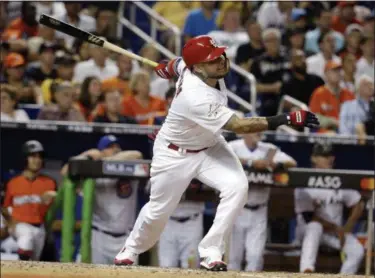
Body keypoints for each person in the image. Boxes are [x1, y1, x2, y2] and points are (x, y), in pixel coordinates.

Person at [114, 35, 319, 271]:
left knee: (237, 187)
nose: (221, 61)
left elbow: (180, 62)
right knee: (158, 212)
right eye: (213, 60)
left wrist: (169, 67)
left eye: (220, 54)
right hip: (174, 153)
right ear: (199, 68)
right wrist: (286, 118)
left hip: (209, 145)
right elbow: (240, 126)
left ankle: (211, 250)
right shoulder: (195, 96)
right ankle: (130, 247)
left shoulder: (197, 67)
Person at [61, 135, 143, 265]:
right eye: (110, 147)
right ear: (101, 151)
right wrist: (87, 154)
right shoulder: (91, 171)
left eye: (117, 146)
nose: (115, 149)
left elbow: (137, 154)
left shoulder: (128, 167)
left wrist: (106, 161)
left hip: (125, 239)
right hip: (99, 237)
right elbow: (65, 172)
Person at [228, 132, 297, 272]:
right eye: (254, 129)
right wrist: (251, 163)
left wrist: (275, 163)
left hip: (259, 210)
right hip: (237, 209)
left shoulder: (269, 149)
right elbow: (219, 158)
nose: (259, 132)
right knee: (233, 258)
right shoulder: (233, 146)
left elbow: (292, 162)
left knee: (255, 257)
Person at [294, 142, 365, 274]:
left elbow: (358, 203)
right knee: (315, 227)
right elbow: (308, 217)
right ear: (314, 158)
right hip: (307, 231)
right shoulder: (305, 179)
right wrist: (337, 229)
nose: (330, 159)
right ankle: (306, 271)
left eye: (331, 155)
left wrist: (347, 228)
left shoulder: (338, 179)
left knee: (357, 250)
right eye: (325, 156)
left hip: (335, 233)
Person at [1, 140, 57, 261]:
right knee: (26, 239)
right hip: (20, 225)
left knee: (34, 262)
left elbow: (53, 210)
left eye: (39, 157)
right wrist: (11, 224)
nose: (37, 160)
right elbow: (4, 207)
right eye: (32, 156)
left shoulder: (49, 183)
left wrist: (51, 199)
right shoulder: (12, 183)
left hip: (39, 228)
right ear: (25, 159)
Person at [309, 61, 355, 133]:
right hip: (326, 131)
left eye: (339, 71)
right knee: (331, 134)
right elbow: (313, 118)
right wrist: (332, 121)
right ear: (326, 74)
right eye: (334, 71)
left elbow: (356, 115)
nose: (337, 73)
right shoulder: (319, 93)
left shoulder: (348, 93)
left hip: (347, 131)